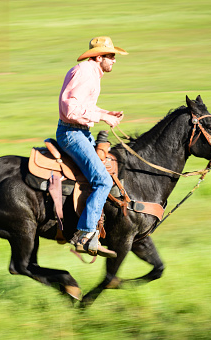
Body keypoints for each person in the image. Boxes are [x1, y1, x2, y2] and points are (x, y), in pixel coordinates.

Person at [56, 36, 128, 258]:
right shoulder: (85, 73)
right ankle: (85, 234)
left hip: (80, 131)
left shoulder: (91, 73)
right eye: (111, 56)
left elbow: (84, 106)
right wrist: (102, 118)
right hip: (72, 133)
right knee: (103, 180)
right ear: (99, 57)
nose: (114, 60)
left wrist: (105, 113)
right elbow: (70, 110)